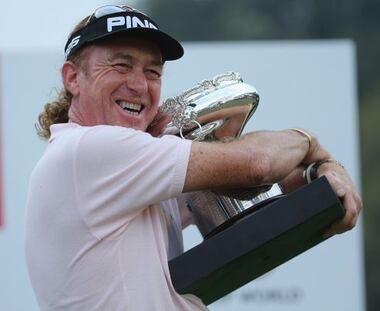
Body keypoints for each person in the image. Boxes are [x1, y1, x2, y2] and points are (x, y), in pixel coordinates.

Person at [25, 5, 362, 311]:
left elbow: (247, 192)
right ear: (72, 77)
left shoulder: (113, 167)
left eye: (153, 72)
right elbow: (257, 164)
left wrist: (316, 173)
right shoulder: (92, 149)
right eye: (120, 65)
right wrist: (310, 143)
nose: (139, 84)